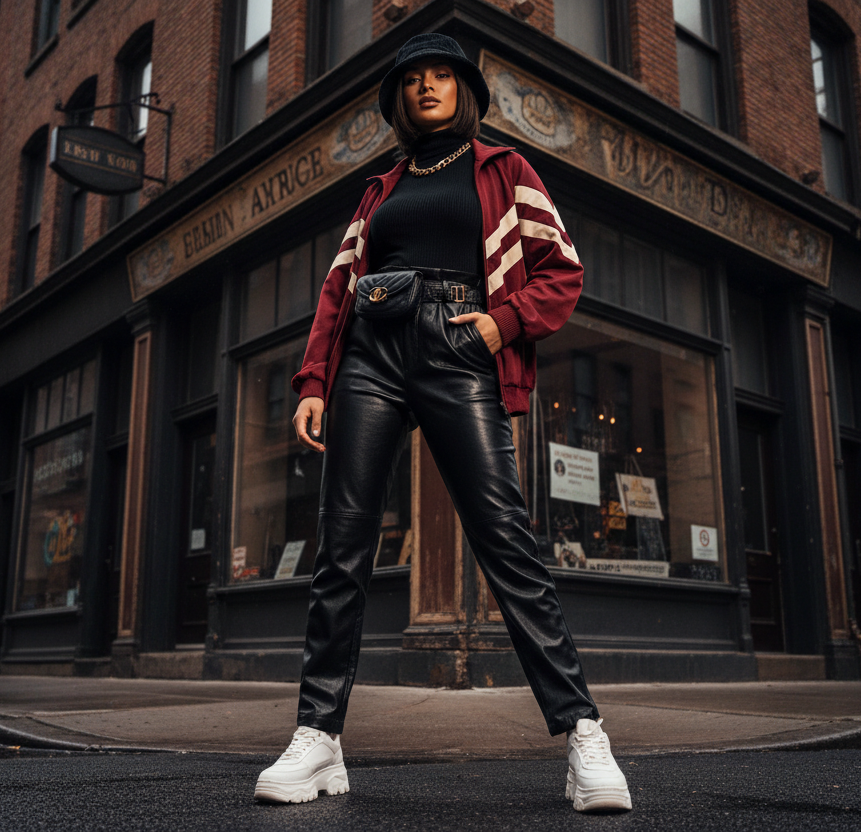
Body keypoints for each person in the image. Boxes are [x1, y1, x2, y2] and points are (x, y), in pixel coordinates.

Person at [253, 33, 632, 813]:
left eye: (440, 76)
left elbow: (563, 269)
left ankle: (584, 733)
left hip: (461, 343)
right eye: (413, 80)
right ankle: (318, 737)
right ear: (398, 100)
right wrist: (315, 378)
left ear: (465, 90)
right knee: (343, 545)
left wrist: (499, 325)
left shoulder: (504, 169)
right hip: (371, 353)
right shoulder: (379, 189)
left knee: (506, 540)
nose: (426, 88)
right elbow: (337, 290)